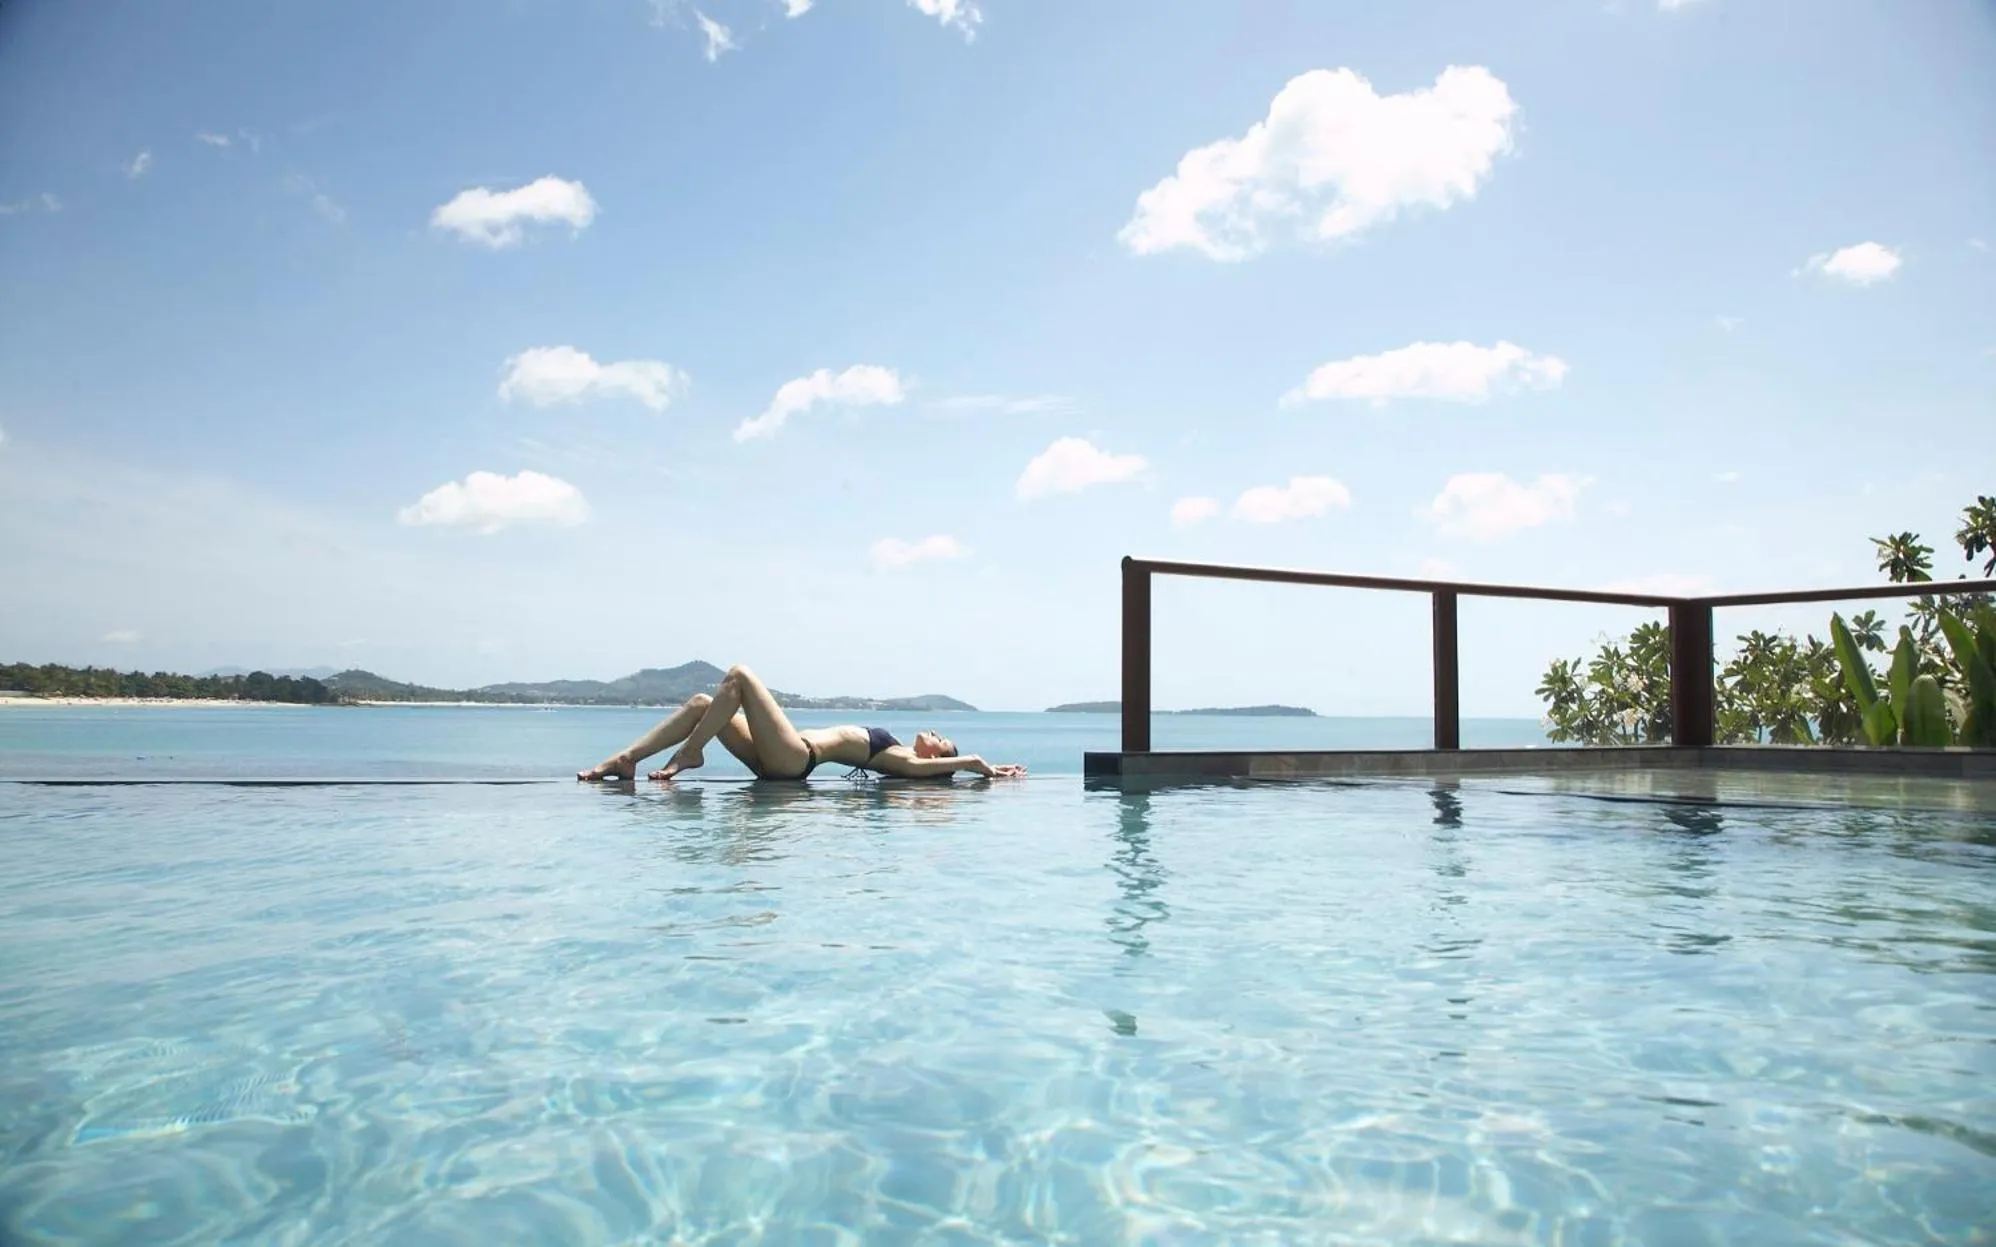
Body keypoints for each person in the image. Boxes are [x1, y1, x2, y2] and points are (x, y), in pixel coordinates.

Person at [576, 663, 1028, 783]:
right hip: (780, 758)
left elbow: (966, 763)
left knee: (740, 675)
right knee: (701, 702)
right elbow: (961, 762)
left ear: (938, 758)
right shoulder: (908, 757)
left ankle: (691, 752)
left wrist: (988, 768)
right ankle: (627, 759)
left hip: (796, 759)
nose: (935, 735)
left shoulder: (909, 763)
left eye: (941, 740)